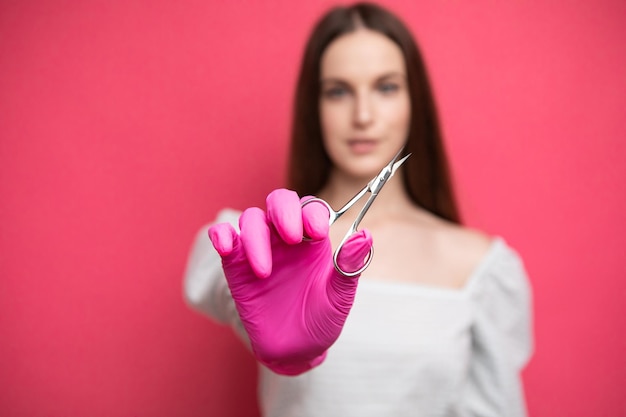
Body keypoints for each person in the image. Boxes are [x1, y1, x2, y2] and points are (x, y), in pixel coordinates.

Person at [183, 2, 533, 416]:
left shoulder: (484, 268)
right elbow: (227, 288)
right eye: (338, 91)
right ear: (313, 108)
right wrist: (258, 283)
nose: (363, 116)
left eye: (386, 87)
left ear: (414, 101)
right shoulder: (265, 245)